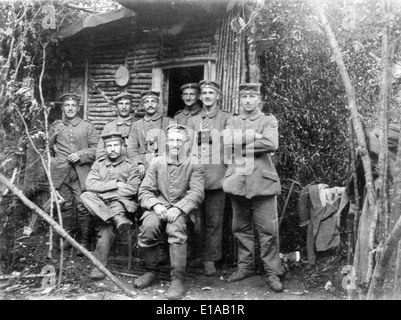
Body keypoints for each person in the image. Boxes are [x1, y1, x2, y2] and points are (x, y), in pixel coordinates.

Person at [222, 83, 284, 292]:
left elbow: (271, 143)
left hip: (263, 182)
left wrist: (242, 141)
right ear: (240, 100)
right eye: (244, 97)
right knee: (240, 228)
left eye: (252, 96)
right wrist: (255, 137)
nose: (248, 100)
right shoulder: (233, 120)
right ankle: (245, 267)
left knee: (268, 229)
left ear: (259, 99)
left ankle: (272, 271)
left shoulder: (268, 120)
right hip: (238, 182)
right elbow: (227, 141)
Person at [133, 124, 204, 300]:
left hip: (182, 209)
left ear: (186, 142)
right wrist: (156, 205)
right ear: (166, 142)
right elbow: (145, 191)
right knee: (148, 227)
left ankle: (177, 280)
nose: (175, 144)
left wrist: (179, 208)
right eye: (171, 140)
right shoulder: (156, 162)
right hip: (158, 206)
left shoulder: (194, 163)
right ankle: (151, 270)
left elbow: (197, 193)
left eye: (179, 140)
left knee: (175, 229)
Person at [81, 132, 141, 280]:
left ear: (122, 146)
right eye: (109, 146)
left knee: (106, 228)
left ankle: (98, 267)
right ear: (105, 148)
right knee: (85, 195)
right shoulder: (98, 164)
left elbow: (132, 189)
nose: (112, 149)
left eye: (116, 145)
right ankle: (114, 218)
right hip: (102, 207)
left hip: (123, 206)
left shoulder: (131, 165)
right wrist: (115, 185)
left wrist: (104, 193)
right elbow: (89, 184)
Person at [187, 80, 232, 276]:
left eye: (211, 93)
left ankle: (211, 259)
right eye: (204, 93)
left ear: (217, 96)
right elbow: (187, 147)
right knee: (197, 221)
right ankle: (198, 255)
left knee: (214, 221)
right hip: (196, 178)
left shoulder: (225, 118)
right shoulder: (193, 120)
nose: (207, 96)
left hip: (217, 177)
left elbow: (230, 144)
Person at [49, 93, 99, 252]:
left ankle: (85, 240)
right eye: (66, 105)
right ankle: (68, 238)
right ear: (62, 107)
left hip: (81, 172)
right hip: (61, 173)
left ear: (78, 108)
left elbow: (98, 149)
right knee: (66, 205)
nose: (70, 108)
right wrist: (55, 163)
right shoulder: (56, 126)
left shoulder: (87, 126)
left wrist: (81, 155)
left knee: (83, 205)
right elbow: (48, 149)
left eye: (73, 105)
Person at [127, 90, 173, 176]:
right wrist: (139, 163)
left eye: (153, 101)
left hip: (164, 165)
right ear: (142, 105)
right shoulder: (136, 125)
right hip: (144, 166)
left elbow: (175, 146)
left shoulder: (169, 122)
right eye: (146, 102)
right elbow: (131, 149)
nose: (150, 105)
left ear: (159, 104)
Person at [96, 92, 137, 160]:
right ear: (116, 107)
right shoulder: (108, 127)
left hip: (134, 165)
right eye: (120, 103)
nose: (124, 107)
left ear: (131, 106)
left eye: (127, 103)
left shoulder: (138, 125)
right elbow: (100, 152)